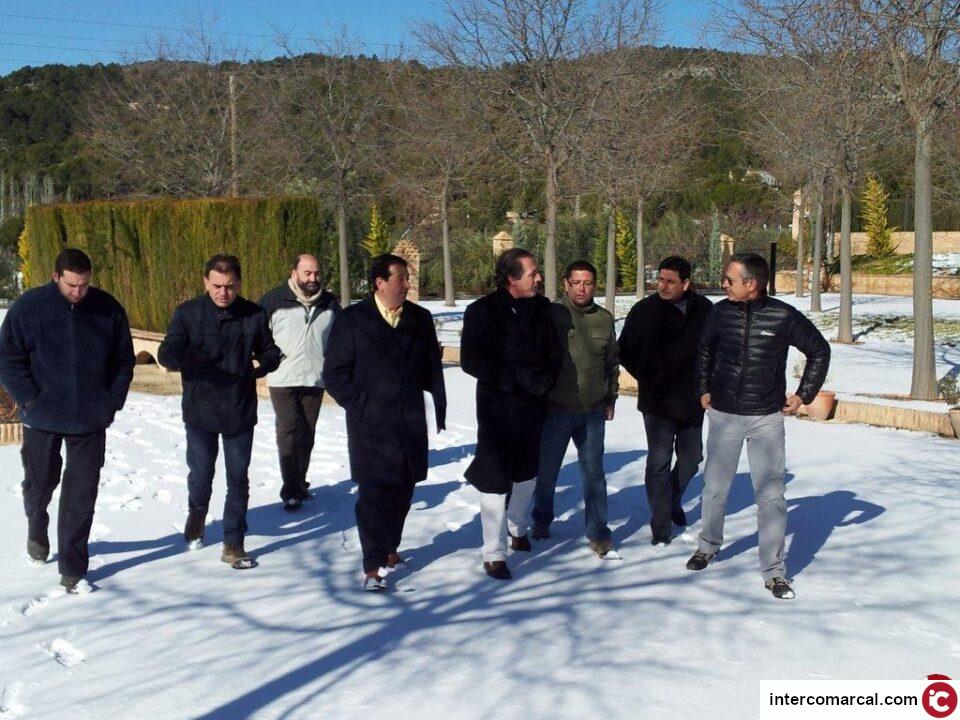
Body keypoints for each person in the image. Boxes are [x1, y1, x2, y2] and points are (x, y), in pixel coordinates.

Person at [687, 253, 829, 600]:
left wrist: (803, 395)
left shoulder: (782, 315)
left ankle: (774, 571)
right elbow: (704, 351)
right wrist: (703, 390)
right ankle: (708, 545)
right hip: (724, 415)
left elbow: (819, 350)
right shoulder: (719, 313)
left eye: (729, 280)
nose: (724, 284)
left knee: (771, 497)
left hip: (766, 418)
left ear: (751, 284)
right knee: (715, 488)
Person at [0, 248, 135, 592]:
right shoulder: (29, 308)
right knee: (40, 485)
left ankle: (73, 568)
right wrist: (30, 398)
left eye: (84, 285)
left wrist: (111, 401)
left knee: (81, 496)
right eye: (72, 284)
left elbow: (123, 361)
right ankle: (36, 524)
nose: (78, 292)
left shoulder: (108, 310)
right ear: (56, 276)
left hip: (91, 418)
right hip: (42, 416)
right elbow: (9, 358)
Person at [322, 254, 446, 591]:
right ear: (380, 283)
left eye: (407, 278)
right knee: (374, 495)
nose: (407, 285)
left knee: (404, 488)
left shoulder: (419, 318)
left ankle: (391, 547)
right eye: (401, 278)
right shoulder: (353, 320)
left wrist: (438, 402)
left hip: (409, 420)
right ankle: (373, 565)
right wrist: (360, 403)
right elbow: (334, 375)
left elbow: (430, 367)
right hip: (371, 426)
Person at [158, 254, 282, 570]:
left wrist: (265, 363)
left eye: (229, 286)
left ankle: (233, 542)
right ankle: (197, 513)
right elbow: (166, 353)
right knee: (201, 475)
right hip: (200, 411)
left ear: (238, 284)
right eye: (216, 286)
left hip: (239, 411)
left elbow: (270, 349)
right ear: (205, 282)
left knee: (238, 478)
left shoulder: (253, 314)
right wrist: (188, 357)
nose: (223, 293)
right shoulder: (187, 314)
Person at [461, 248, 561, 580]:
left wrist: (545, 379)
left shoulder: (544, 310)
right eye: (532, 273)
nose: (539, 278)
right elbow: (471, 359)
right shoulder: (482, 312)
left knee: (526, 475)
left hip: (534, 407)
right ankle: (494, 553)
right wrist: (512, 379)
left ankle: (518, 526)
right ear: (511, 279)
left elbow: (555, 352)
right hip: (496, 411)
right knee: (494, 480)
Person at [618, 256, 713, 546]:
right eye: (660, 279)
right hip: (657, 401)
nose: (663, 285)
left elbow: (715, 348)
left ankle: (671, 500)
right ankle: (660, 525)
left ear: (686, 283)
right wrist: (647, 375)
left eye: (671, 281)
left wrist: (705, 384)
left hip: (692, 401)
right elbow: (624, 350)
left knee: (692, 458)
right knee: (658, 462)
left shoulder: (705, 309)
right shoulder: (644, 311)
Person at [531, 260, 619, 557]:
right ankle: (541, 520)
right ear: (566, 284)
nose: (583, 288)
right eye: (577, 282)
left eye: (588, 283)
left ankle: (598, 532)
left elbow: (611, 364)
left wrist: (611, 398)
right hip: (555, 409)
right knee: (547, 473)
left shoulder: (604, 319)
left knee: (594, 474)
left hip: (593, 411)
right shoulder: (551, 315)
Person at [259, 254, 340, 511]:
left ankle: (299, 482)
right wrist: (267, 360)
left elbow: (341, 339)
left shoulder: (329, 304)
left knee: (307, 432)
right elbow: (258, 336)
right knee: (289, 429)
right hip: (282, 378)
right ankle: (291, 488)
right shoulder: (274, 300)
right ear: (294, 272)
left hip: (315, 377)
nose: (312, 279)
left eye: (316, 274)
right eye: (307, 273)